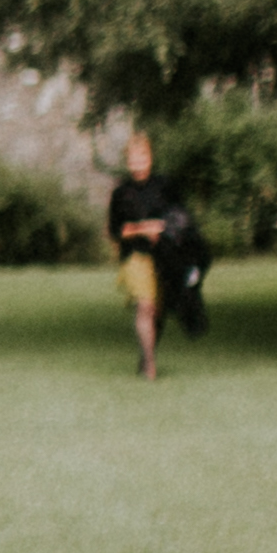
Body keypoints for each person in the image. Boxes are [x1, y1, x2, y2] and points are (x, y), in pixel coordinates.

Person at [105, 129, 186, 379]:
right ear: (128, 161)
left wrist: (161, 227)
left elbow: (180, 218)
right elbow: (116, 230)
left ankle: (145, 352)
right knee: (145, 307)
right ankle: (150, 365)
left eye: (142, 158)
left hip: (163, 255)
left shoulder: (165, 186)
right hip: (135, 257)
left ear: (150, 158)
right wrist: (142, 229)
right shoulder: (121, 193)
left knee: (158, 311)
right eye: (133, 159)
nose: (138, 164)